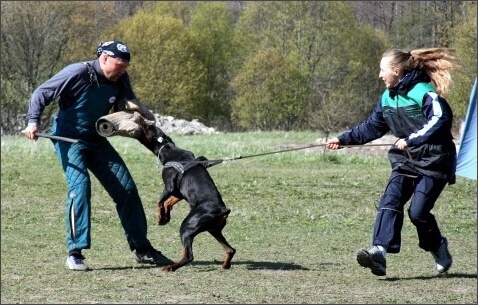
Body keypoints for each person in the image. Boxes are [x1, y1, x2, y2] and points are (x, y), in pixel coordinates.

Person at [22, 40, 173, 271]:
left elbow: (124, 102)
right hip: (68, 139)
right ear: (103, 58)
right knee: (80, 189)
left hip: (96, 140)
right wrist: (33, 122)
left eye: (125, 66)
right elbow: (41, 93)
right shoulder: (78, 72)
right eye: (119, 65)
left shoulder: (120, 78)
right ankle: (75, 253)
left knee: (127, 189)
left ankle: (142, 250)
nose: (122, 70)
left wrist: (138, 113)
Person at [326, 48, 457, 276]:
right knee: (391, 199)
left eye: (382, 70)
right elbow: (372, 126)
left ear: (396, 71)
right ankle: (379, 252)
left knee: (418, 214)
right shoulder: (388, 97)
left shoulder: (423, 91)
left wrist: (412, 139)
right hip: (406, 161)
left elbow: (441, 118)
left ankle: (437, 245)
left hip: (435, 160)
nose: (379, 75)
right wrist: (344, 139)